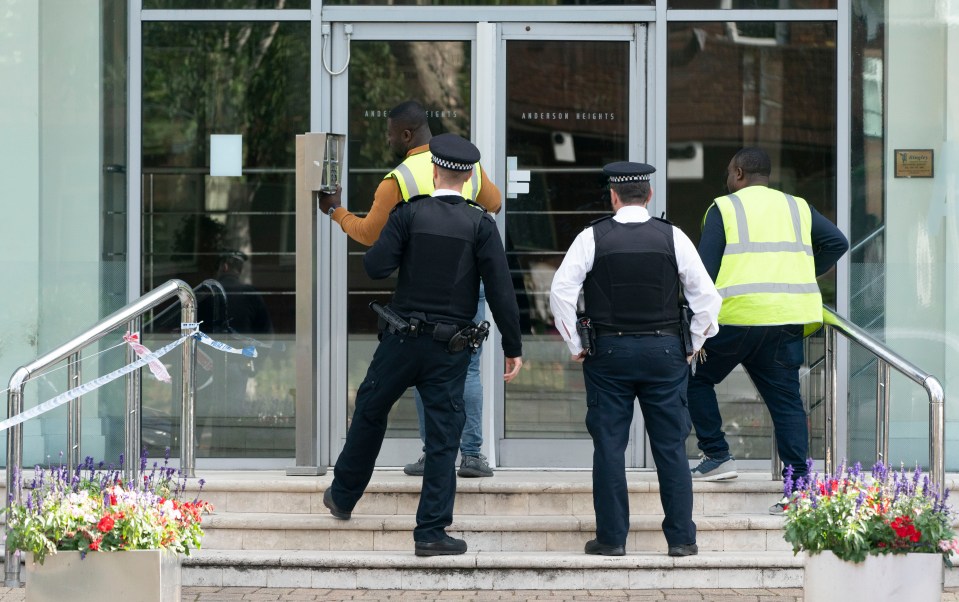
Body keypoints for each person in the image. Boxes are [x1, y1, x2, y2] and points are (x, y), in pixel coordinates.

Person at [322, 134, 524, 557]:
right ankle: (430, 532)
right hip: (449, 349)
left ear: (434, 172)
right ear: (469, 178)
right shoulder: (480, 225)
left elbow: (376, 267)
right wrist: (512, 344)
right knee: (443, 438)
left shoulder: (408, 215)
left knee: (370, 411)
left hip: (399, 341)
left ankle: (342, 495)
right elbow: (502, 291)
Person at [319, 100, 501, 478]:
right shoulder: (468, 167)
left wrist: (336, 211)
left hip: (422, 291)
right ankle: (472, 455)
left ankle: (432, 454)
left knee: (425, 371)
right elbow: (495, 203)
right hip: (468, 283)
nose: (387, 139)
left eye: (390, 133)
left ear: (406, 134)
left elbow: (369, 234)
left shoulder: (397, 179)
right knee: (465, 370)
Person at [549, 161, 722, 558]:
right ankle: (681, 539)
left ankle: (611, 539)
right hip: (665, 352)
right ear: (649, 195)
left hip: (608, 353)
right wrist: (693, 342)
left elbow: (560, 292)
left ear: (613, 196)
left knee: (609, 446)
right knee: (671, 448)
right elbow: (708, 299)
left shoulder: (592, 237)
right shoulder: (672, 236)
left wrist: (576, 343)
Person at [686, 147, 849, 514]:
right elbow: (838, 242)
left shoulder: (724, 208)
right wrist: (807, 271)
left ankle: (717, 456)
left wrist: (692, 320)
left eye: (729, 172)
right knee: (787, 403)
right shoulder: (797, 207)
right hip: (785, 319)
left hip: (735, 319)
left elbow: (704, 273)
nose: (728, 179)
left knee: (694, 378)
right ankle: (799, 488)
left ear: (739, 173)